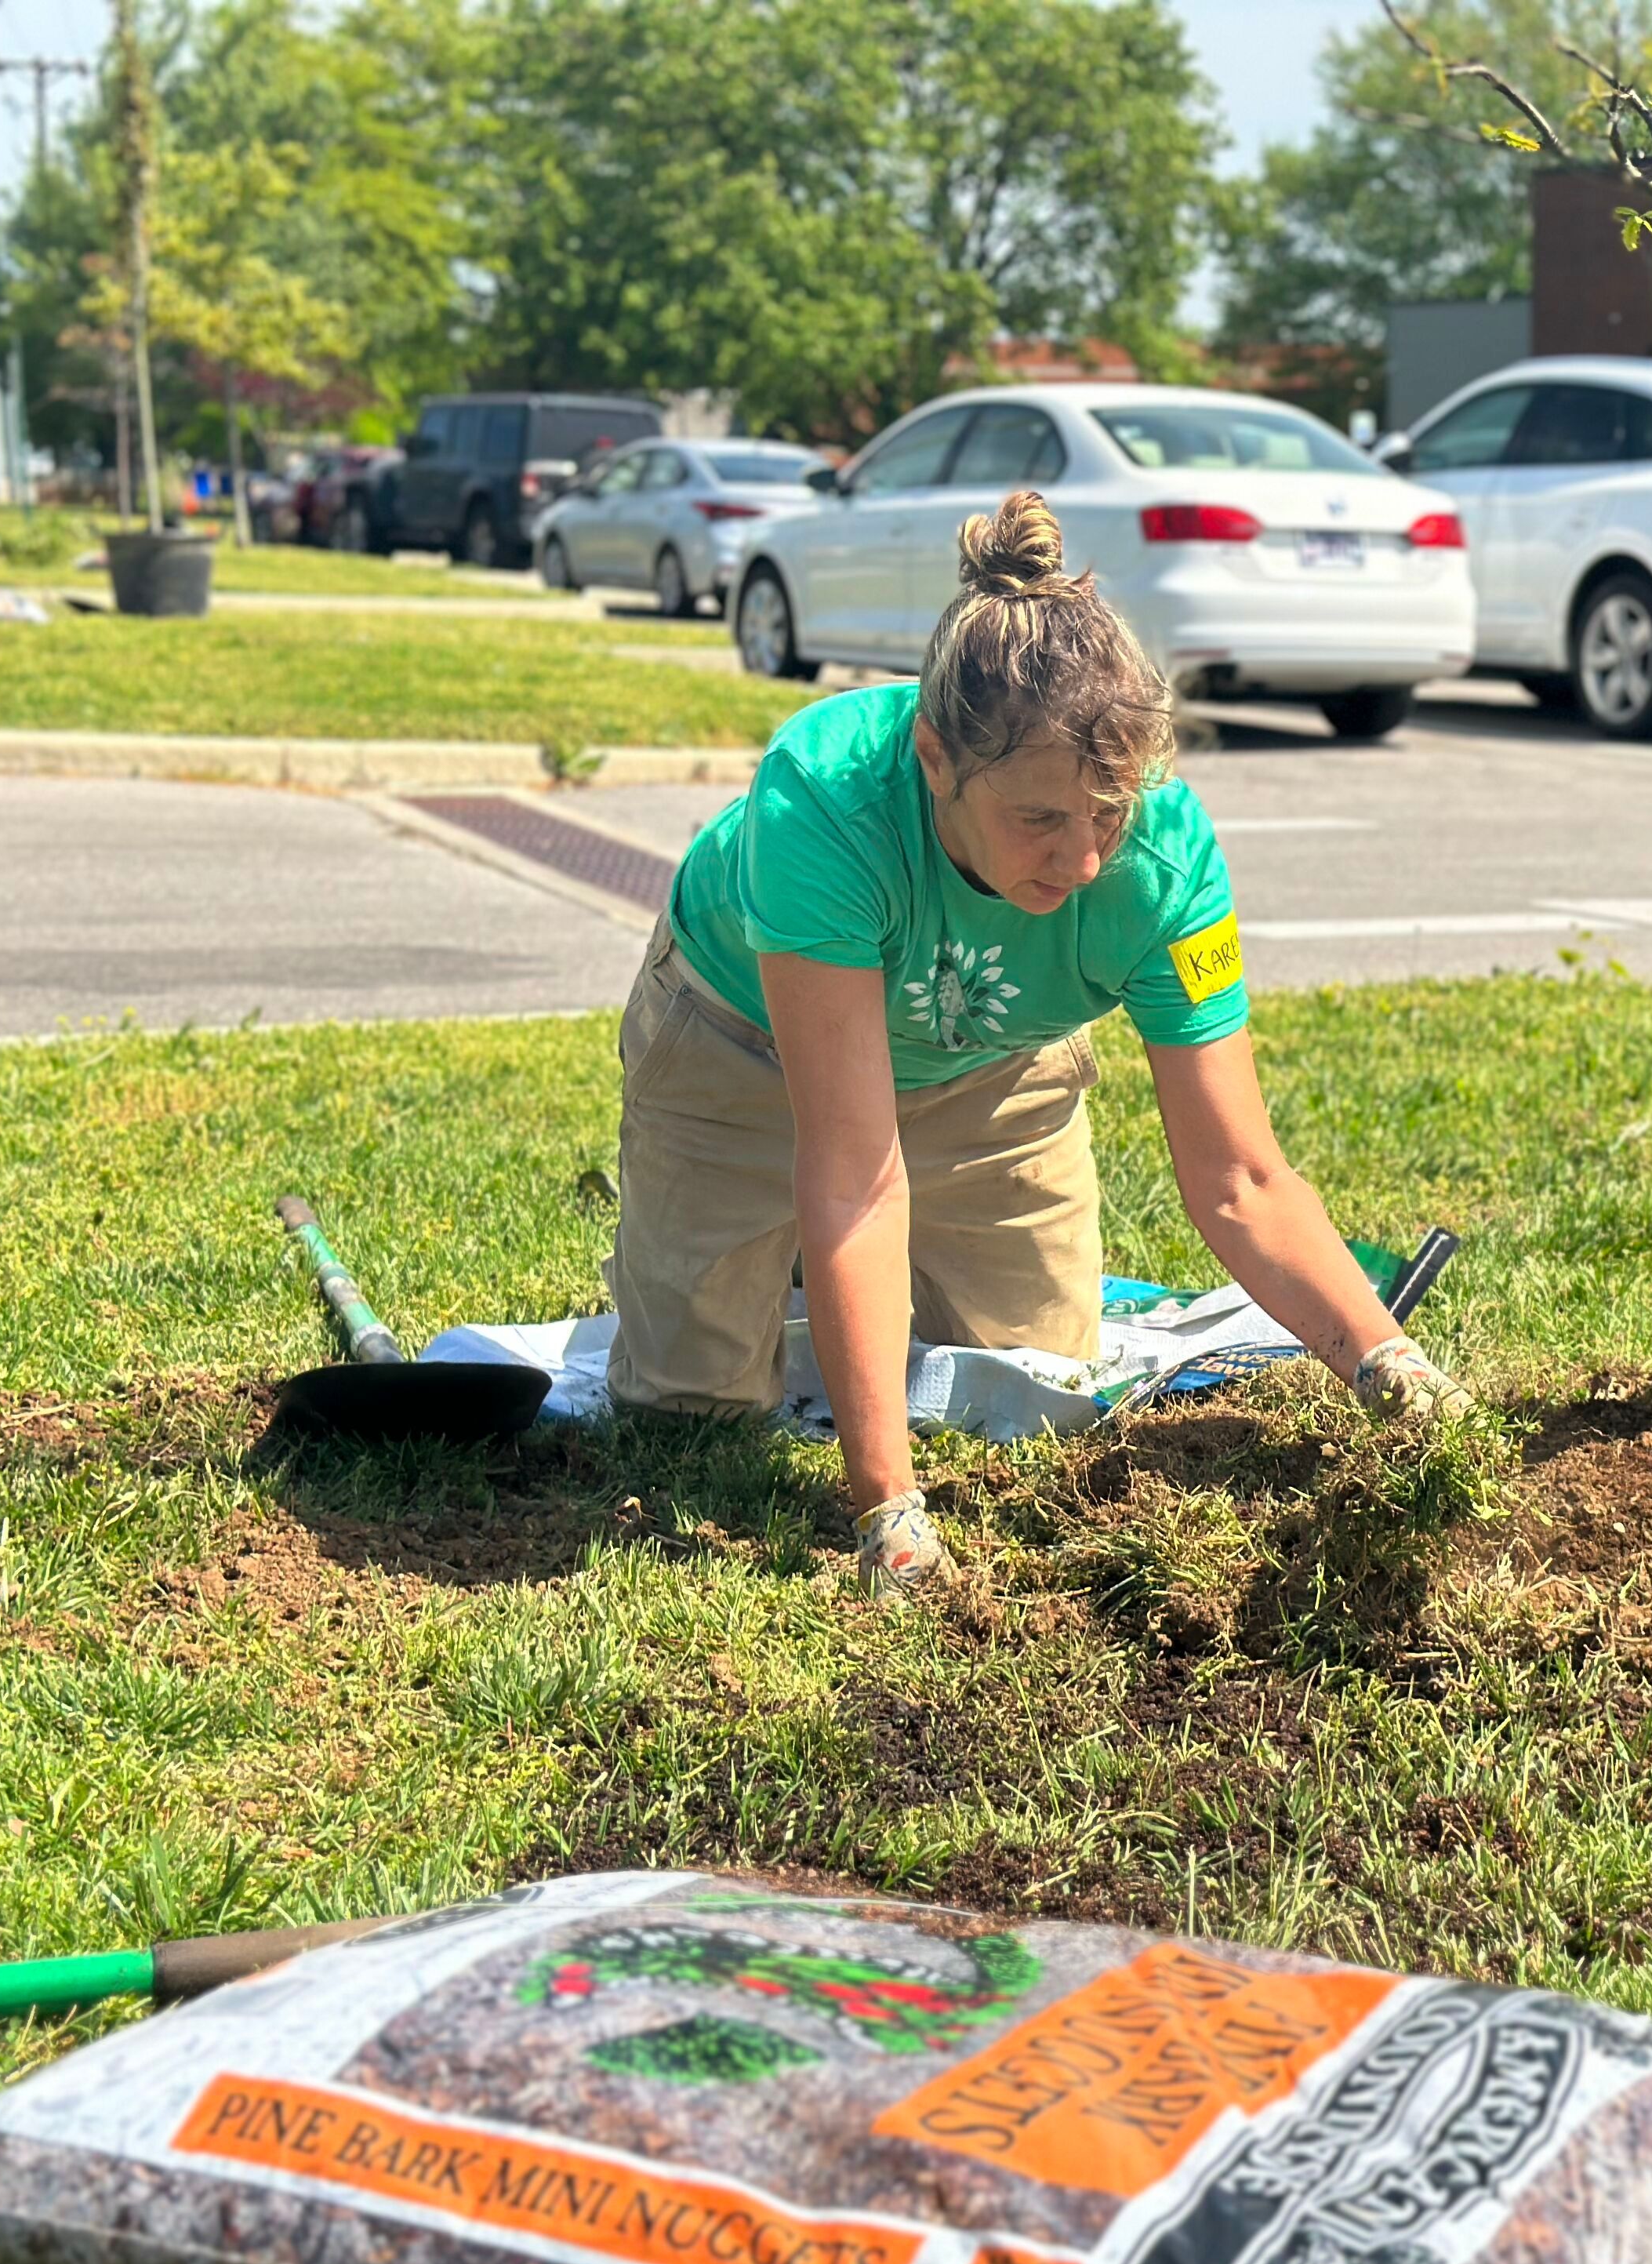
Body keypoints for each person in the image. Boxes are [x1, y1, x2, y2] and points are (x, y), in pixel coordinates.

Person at [607, 489, 1465, 1590]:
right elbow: (858, 1171)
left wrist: (1389, 1366)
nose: (1085, 862)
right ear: (933, 759)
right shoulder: (824, 795)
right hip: (746, 1050)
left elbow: (1243, 1177)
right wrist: (889, 1513)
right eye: (1041, 821)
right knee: (695, 1410)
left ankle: (826, 1287)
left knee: (1038, 1379)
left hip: (988, 1064)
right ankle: (761, 1272)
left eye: (1108, 813)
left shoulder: (1165, 861)